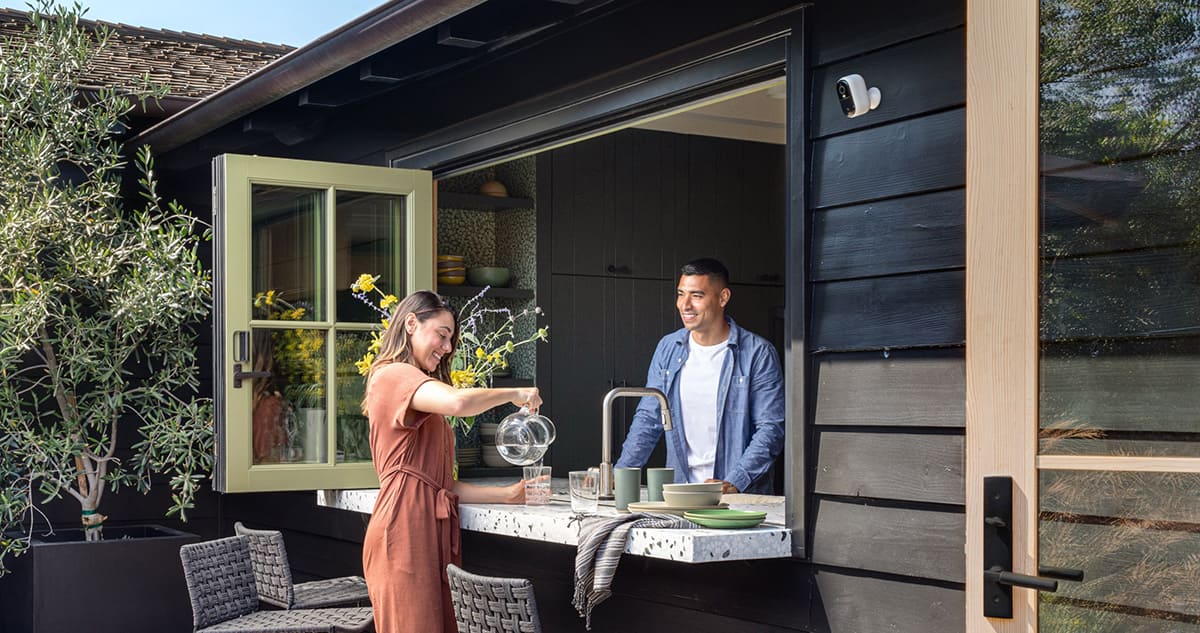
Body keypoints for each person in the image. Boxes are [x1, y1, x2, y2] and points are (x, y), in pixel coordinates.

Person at [360, 290, 543, 633]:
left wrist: (508, 494)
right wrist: (515, 393)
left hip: (427, 527)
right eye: (442, 335)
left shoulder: (418, 389)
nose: (447, 347)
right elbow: (458, 402)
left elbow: (443, 485)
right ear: (411, 323)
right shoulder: (391, 375)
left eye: (451, 339)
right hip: (403, 529)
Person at [615, 258, 784, 494]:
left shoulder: (758, 353)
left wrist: (736, 481)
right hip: (679, 494)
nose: (685, 305)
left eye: (697, 296)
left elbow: (771, 429)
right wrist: (619, 475)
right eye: (681, 294)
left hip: (738, 500)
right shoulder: (668, 348)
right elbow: (649, 418)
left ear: (723, 298)